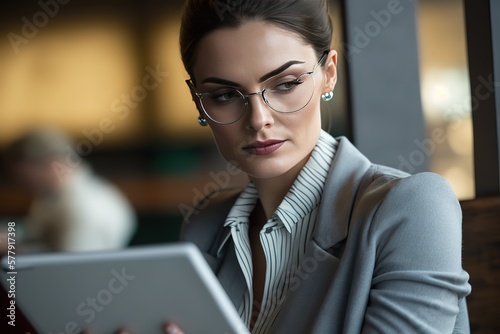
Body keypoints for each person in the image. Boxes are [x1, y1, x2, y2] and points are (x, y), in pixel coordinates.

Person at [129, 0, 472, 333]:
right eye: (225, 95)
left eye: (286, 84)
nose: (259, 120)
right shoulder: (206, 228)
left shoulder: (414, 208)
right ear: (198, 102)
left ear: (328, 74)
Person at [4, 127, 137, 253]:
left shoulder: (80, 207)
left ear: (53, 163)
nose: (20, 185)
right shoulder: (55, 197)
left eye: (23, 178)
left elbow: (73, 270)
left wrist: (12, 250)